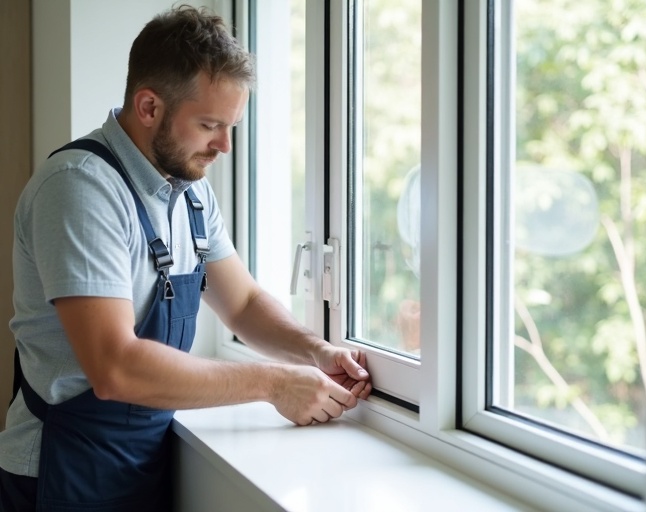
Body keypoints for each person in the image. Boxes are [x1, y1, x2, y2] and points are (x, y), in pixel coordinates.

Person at [0, 5, 371, 511]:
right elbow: (115, 368)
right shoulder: (81, 189)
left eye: (231, 126)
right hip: (60, 474)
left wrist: (315, 352)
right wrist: (274, 383)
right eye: (209, 125)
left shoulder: (190, 191)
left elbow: (242, 303)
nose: (225, 146)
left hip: (139, 462)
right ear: (148, 106)